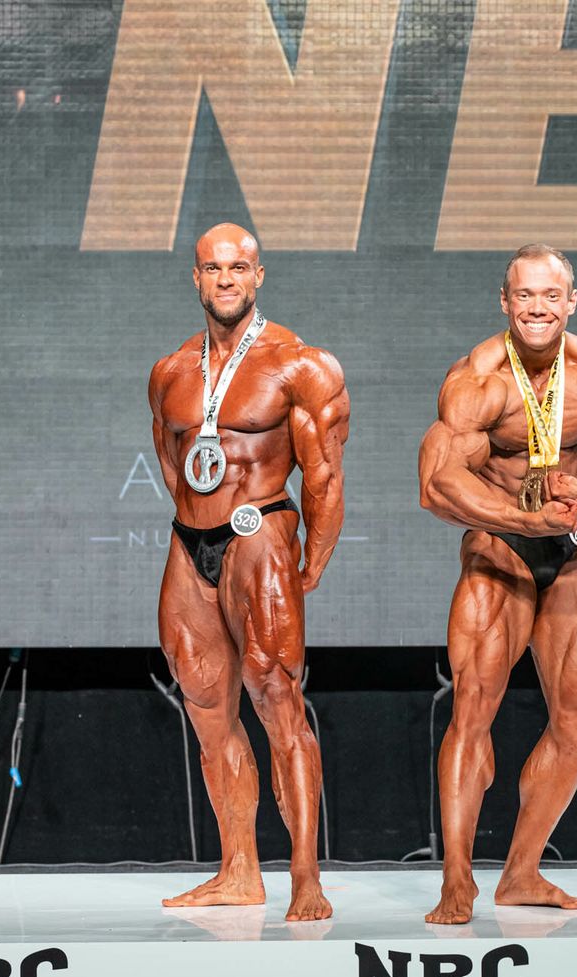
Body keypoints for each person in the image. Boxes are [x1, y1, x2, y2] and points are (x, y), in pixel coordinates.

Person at [417, 244, 577, 924]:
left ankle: (522, 872)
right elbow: (436, 485)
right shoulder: (478, 380)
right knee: (474, 707)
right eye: (525, 295)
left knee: (576, 715)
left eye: (551, 295)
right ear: (505, 302)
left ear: (571, 302)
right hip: (498, 547)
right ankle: (456, 880)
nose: (538, 307)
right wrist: (520, 519)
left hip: (571, 549)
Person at [148, 223, 349, 918]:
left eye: (238, 267)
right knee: (207, 707)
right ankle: (238, 870)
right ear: (196, 278)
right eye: (213, 268)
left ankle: (305, 877)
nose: (226, 279)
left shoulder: (300, 366)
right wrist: (197, 518)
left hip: (259, 529)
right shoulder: (171, 371)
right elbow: (172, 463)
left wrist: (312, 558)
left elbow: (324, 475)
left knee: (275, 695)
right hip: (189, 543)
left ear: (258, 276)